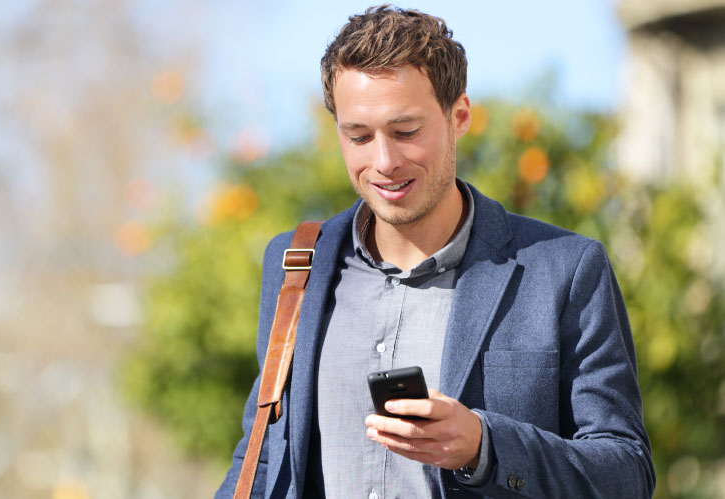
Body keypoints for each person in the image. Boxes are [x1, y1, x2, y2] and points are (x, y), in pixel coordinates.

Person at [216, 5, 655, 498]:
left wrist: (485, 446)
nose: (383, 161)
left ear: (459, 116)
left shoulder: (566, 269)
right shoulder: (297, 263)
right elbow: (264, 457)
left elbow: (627, 474)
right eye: (358, 136)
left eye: (406, 132)